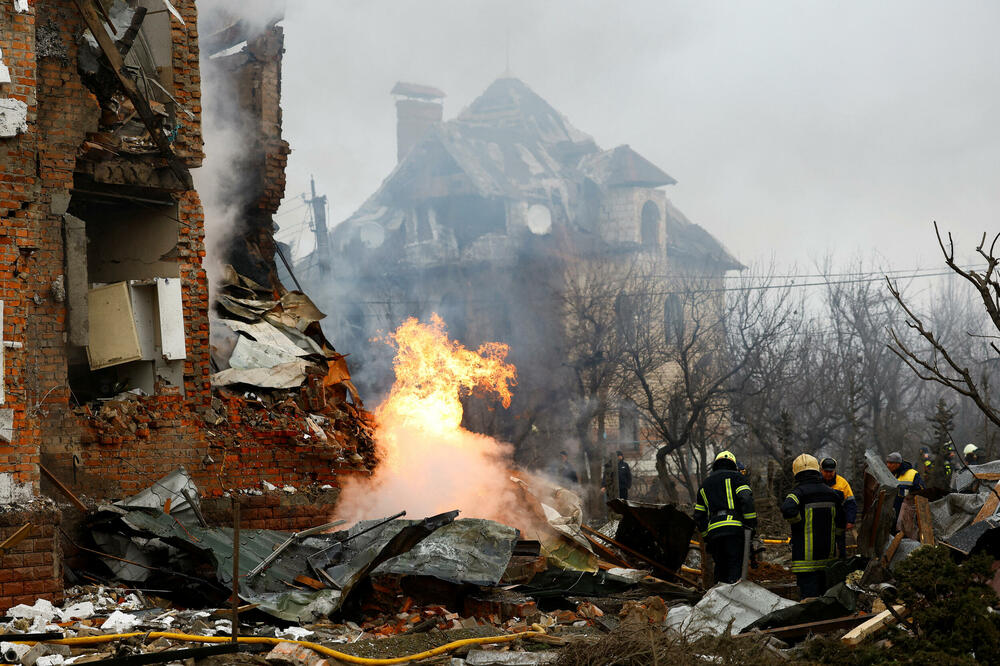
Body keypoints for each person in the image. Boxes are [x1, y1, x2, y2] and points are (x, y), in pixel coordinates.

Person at [782, 454, 846, 599]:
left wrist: (798, 522)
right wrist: (835, 537)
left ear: (796, 472)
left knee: (809, 602)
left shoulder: (797, 493)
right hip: (827, 560)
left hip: (805, 562)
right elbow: (842, 521)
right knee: (826, 600)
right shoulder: (833, 494)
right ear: (817, 470)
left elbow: (787, 509)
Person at [693, 451, 757, 584]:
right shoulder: (738, 477)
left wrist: (707, 537)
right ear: (733, 464)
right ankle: (733, 598)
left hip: (714, 533)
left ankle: (717, 598)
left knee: (720, 568)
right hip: (734, 530)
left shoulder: (704, 485)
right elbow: (746, 499)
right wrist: (750, 526)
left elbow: (699, 516)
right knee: (735, 566)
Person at [884, 451, 924, 530]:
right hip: (891, 515)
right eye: (887, 463)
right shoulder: (890, 474)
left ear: (898, 464)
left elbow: (921, 493)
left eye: (891, 463)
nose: (888, 465)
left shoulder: (913, 474)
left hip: (907, 515)